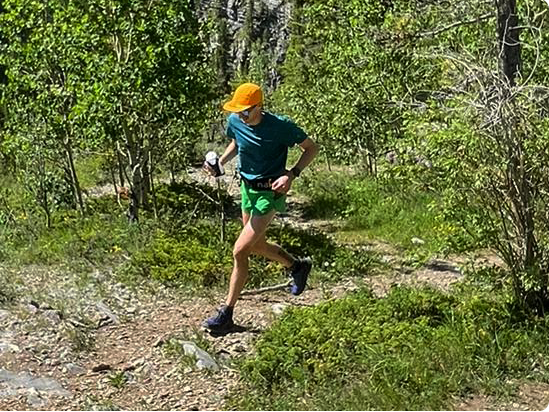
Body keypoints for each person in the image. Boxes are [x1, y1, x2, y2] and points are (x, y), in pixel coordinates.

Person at [202, 82, 319, 332]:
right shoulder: (235, 121)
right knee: (255, 246)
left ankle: (226, 314)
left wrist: (292, 174)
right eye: (238, 111)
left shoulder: (280, 126)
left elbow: (311, 148)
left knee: (239, 251)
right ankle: (297, 266)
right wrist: (220, 163)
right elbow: (237, 143)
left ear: (259, 106)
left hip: (270, 192)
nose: (241, 116)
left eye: (246, 111)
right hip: (247, 188)